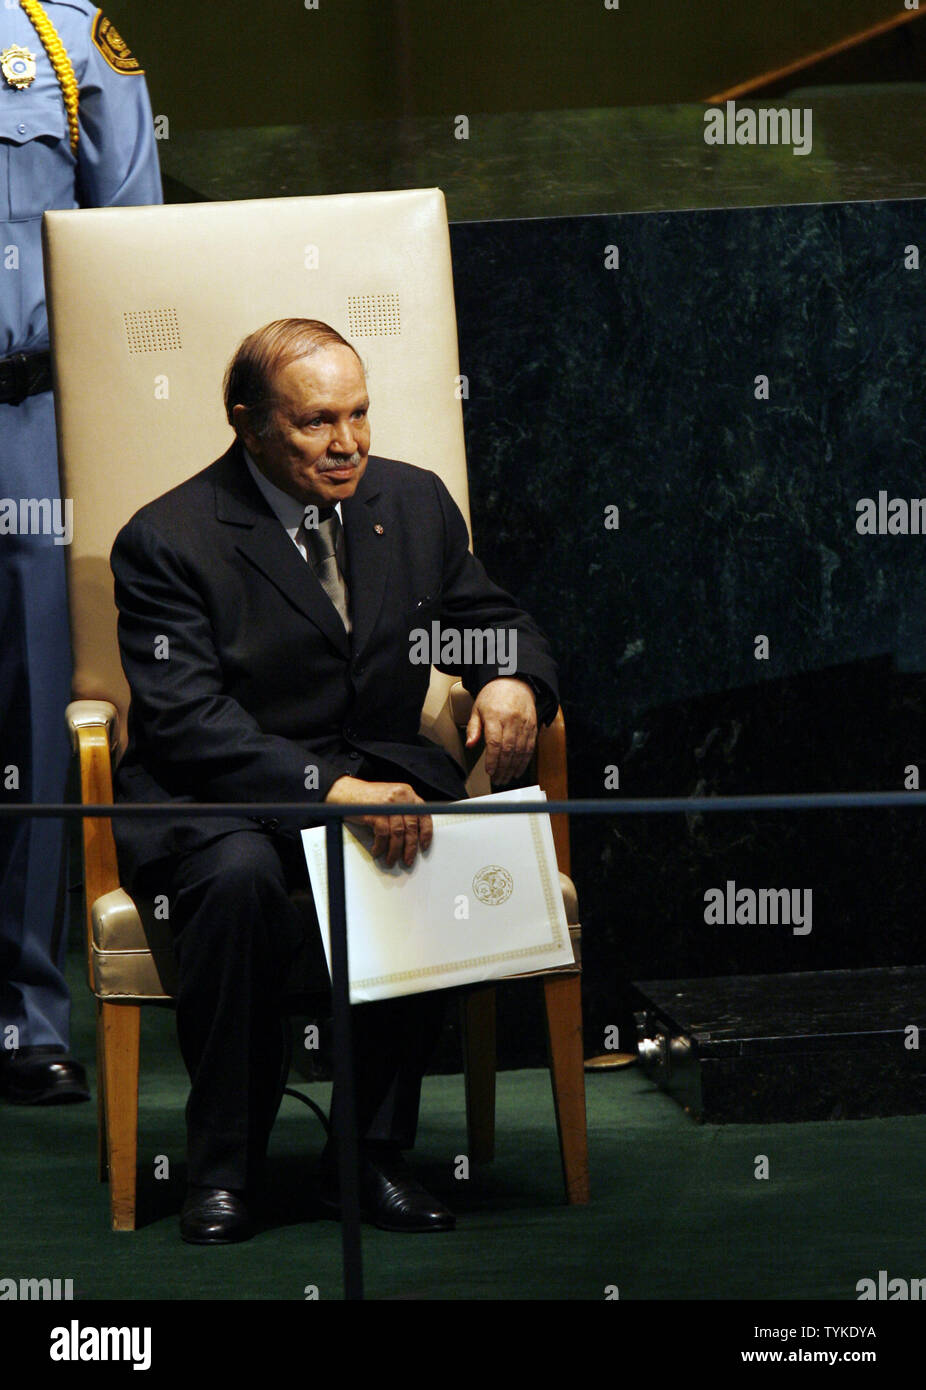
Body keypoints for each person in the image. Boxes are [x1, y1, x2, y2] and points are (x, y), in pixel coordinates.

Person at [110, 318, 560, 1244]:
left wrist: (511, 676)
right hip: (219, 798)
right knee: (238, 882)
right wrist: (329, 792)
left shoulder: (416, 500)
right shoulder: (168, 539)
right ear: (248, 423)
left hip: (380, 777)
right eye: (317, 422)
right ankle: (223, 1168)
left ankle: (368, 1157)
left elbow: (487, 618)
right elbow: (189, 724)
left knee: (428, 851)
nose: (349, 442)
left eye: (359, 414)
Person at [0, 1, 161, 1104]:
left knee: (38, 723)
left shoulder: (60, 38)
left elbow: (132, 249)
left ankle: (24, 1010)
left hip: (27, 424)